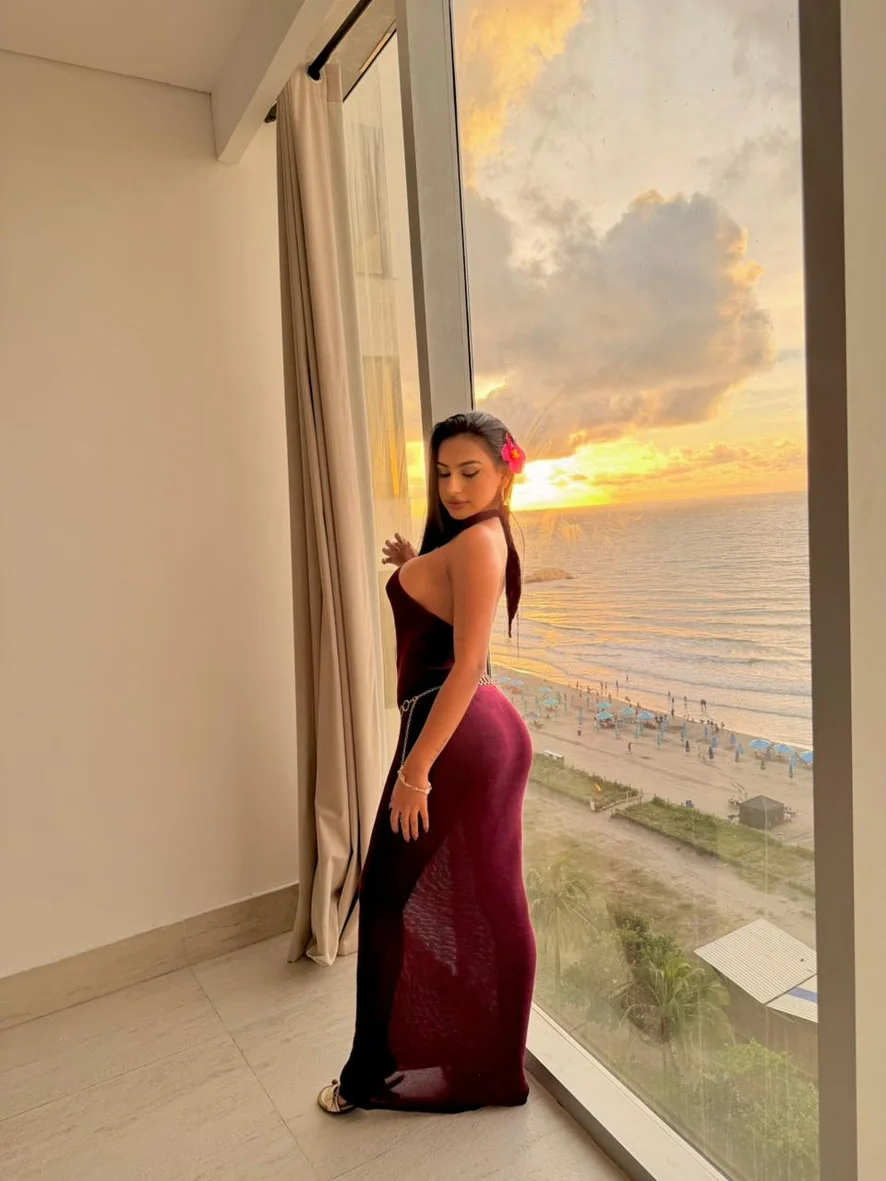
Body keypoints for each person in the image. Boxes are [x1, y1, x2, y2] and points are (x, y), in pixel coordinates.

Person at [318, 411, 536, 1117]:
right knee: (496, 897)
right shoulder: (478, 540)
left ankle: (368, 1076)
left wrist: (416, 772)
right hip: (484, 732)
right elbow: (449, 619)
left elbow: (465, 665)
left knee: (384, 895)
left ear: (503, 473)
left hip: (453, 732)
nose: (454, 487)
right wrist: (416, 564)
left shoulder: (476, 542)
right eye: (443, 473)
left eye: (471, 472)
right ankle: (496, 1066)